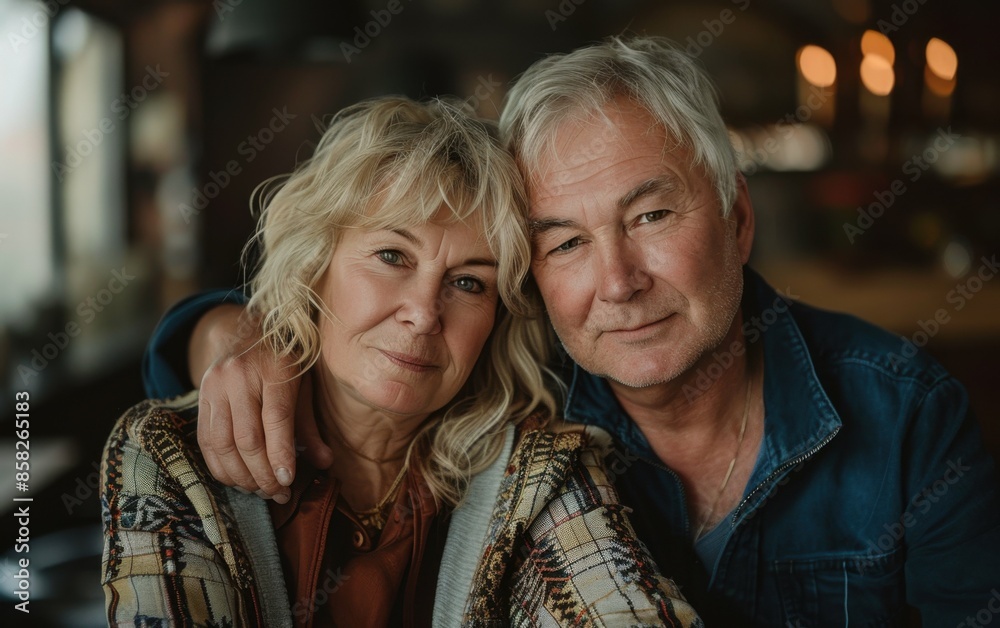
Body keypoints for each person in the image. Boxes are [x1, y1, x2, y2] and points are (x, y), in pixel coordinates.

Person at [143, 38, 1000, 626]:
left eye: (653, 214)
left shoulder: (907, 418)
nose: (618, 282)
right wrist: (229, 330)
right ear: (530, 276)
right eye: (567, 242)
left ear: (737, 220)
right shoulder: (511, 386)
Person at [101, 96, 702, 627]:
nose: (423, 313)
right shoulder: (169, 455)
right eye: (392, 254)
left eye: (468, 283)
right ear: (315, 267)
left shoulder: (540, 472)